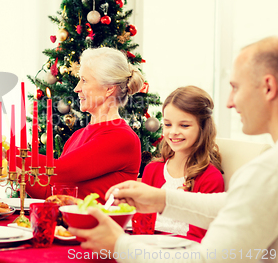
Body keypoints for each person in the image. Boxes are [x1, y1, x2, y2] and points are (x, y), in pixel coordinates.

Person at [69, 36, 278, 262]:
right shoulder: (267, 170)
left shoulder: (268, 172)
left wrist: (118, 245)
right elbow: (235, 205)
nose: (229, 102)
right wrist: (161, 198)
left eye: (236, 87)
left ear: (268, 87)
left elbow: (206, 260)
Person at [23, 47, 144, 203]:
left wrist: (14, 155)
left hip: (98, 226)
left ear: (109, 89)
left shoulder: (122, 137)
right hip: (68, 224)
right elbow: (51, 192)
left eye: (84, 80)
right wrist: (10, 166)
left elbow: (61, 170)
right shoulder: (77, 136)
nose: (76, 88)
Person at [140, 86, 224, 241]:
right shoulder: (152, 170)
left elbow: (199, 238)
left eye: (184, 125)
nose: (173, 132)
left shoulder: (210, 178)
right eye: (168, 124)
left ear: (203, 128)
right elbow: (141, 223)